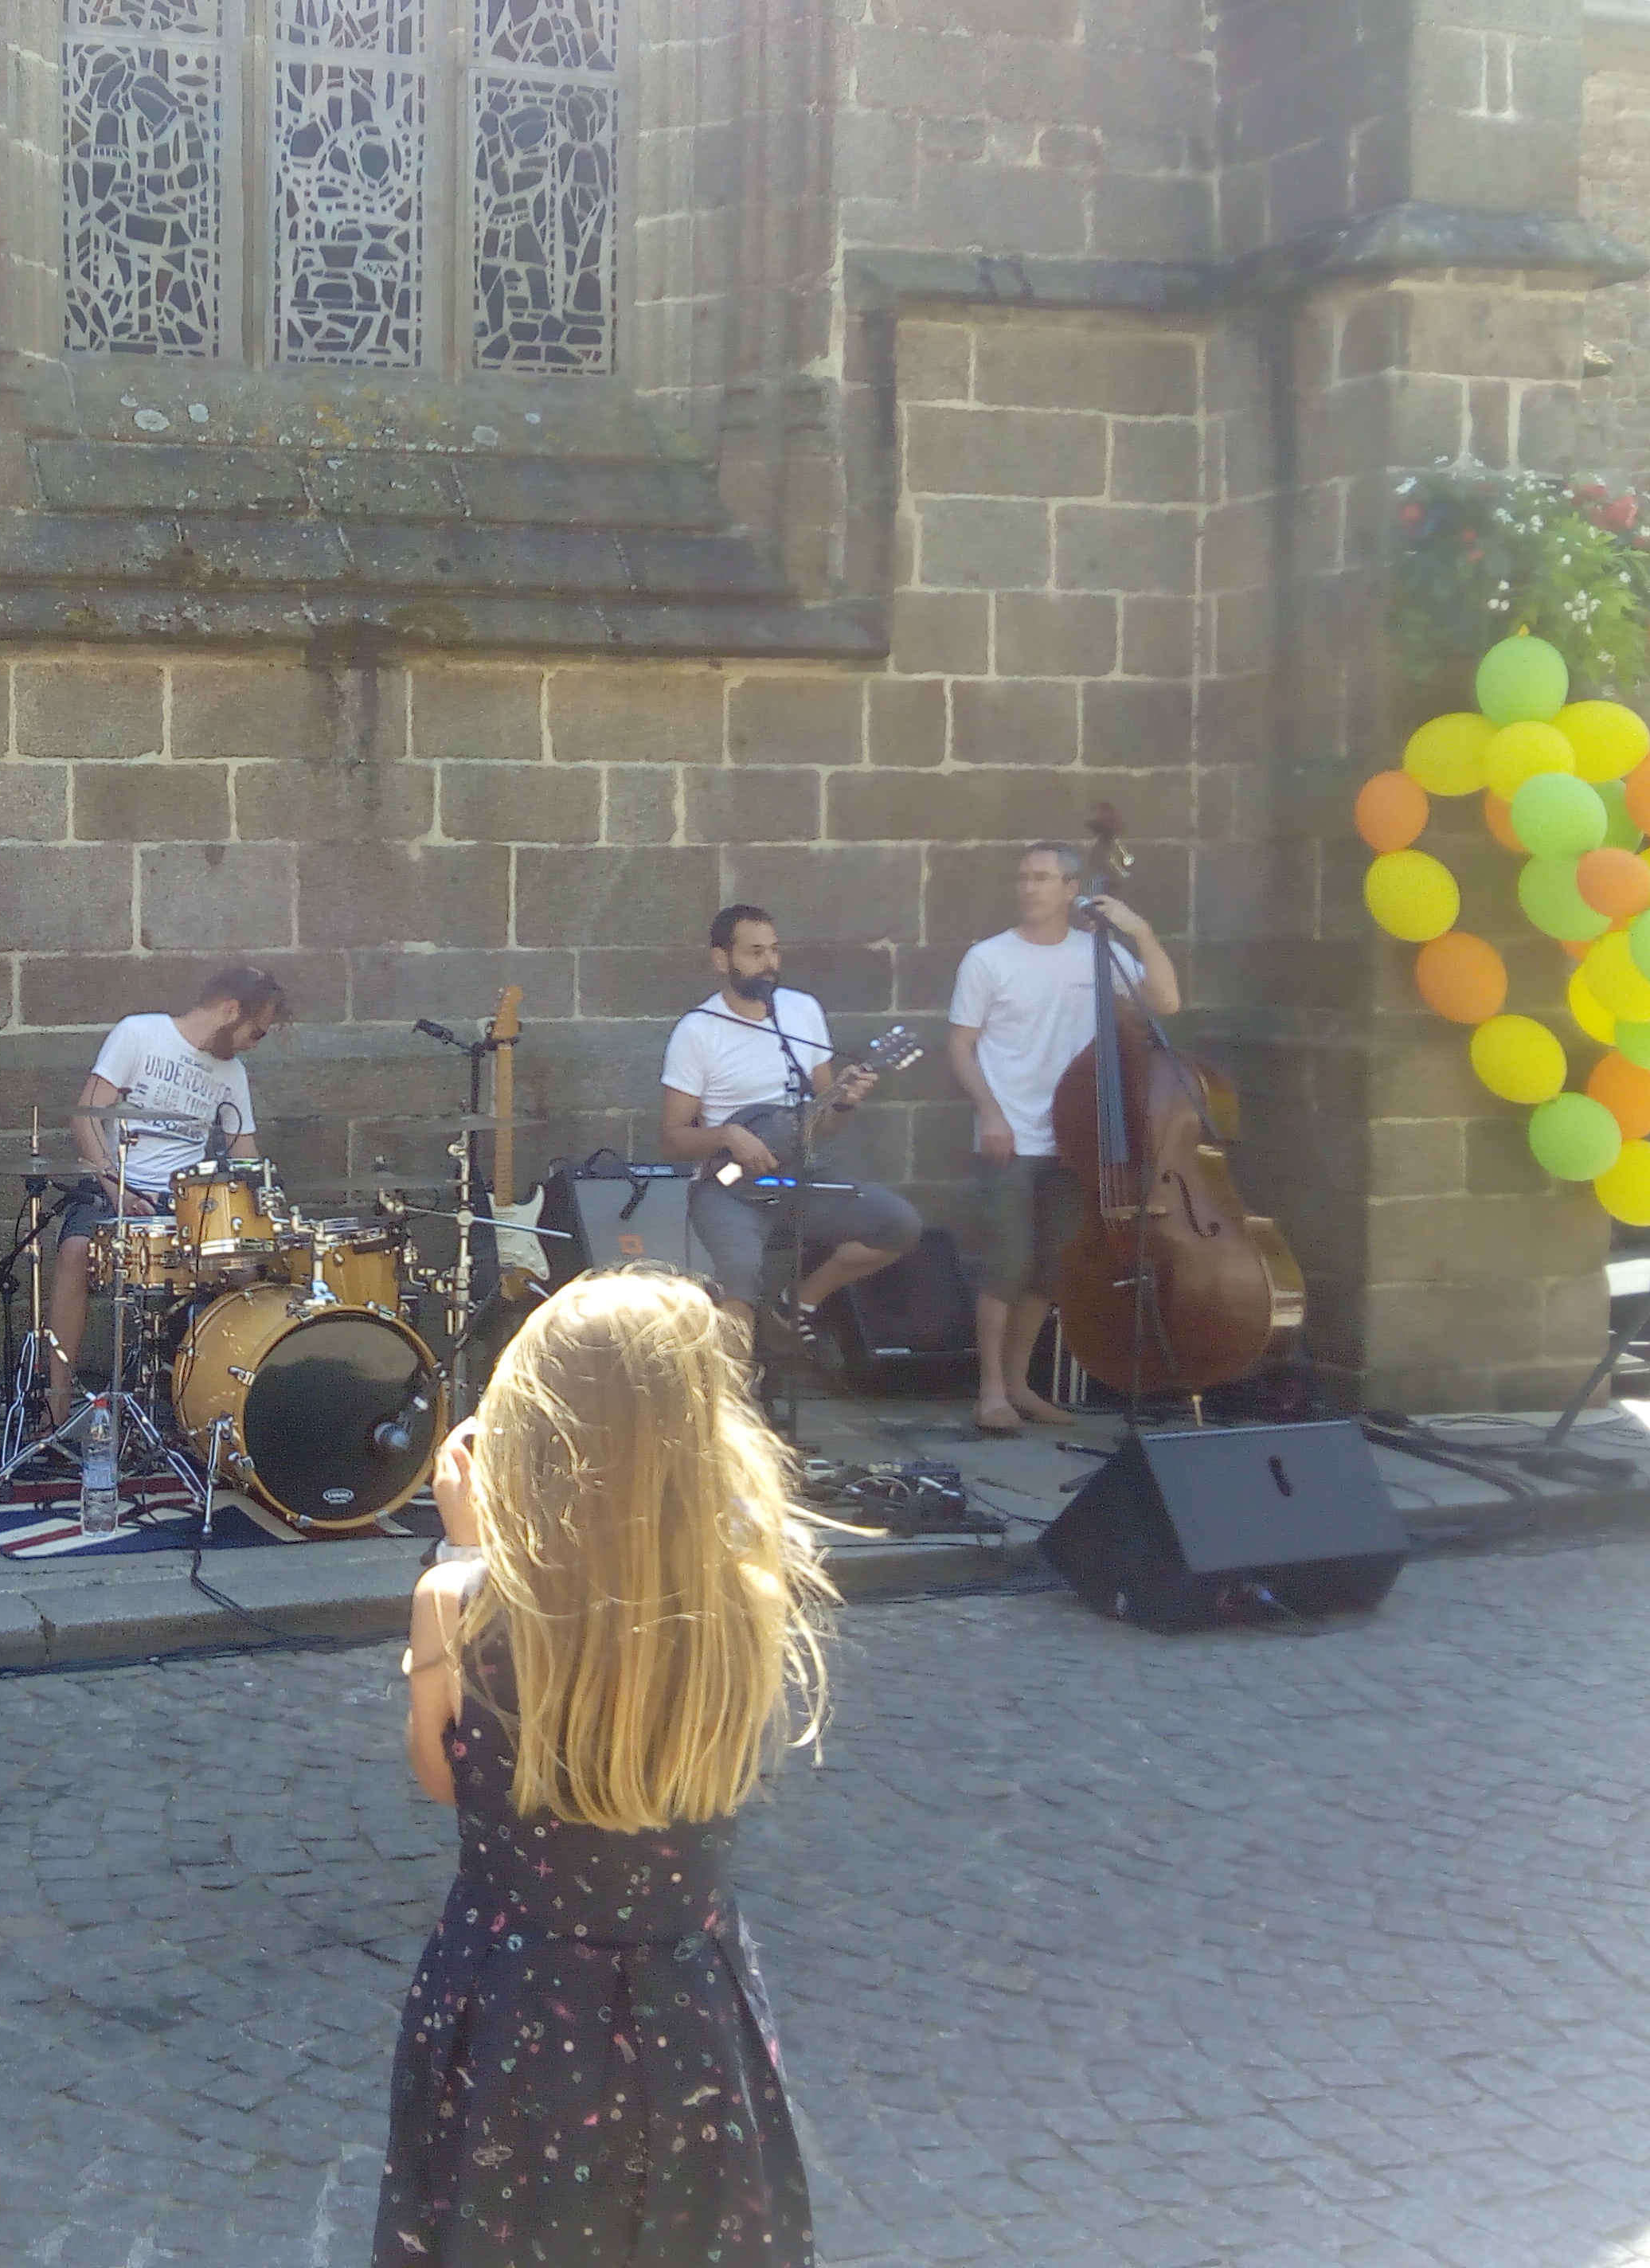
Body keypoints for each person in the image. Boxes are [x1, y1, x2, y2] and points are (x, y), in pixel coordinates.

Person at [377, 1270, 828, 2268]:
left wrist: (463, 1546)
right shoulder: (749, 1591)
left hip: (513, 2005)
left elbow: (447, 1781)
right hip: (690, 2003)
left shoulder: (457, 1601)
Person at [943, 839, 1182, 1435]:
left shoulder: (1098, 954)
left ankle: (1020, 1385)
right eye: (1023, 877)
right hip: (1010, 1137)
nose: (1029, 887)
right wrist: (990, 1114)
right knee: (1007, 1264)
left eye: (1042, 877)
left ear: (1072, 889)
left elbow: (1166, 1001)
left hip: (1077, 1139)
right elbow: (960, 1046)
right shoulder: (988, 958)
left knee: (1051, 1270)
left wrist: (1141, 932)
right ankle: (990, 1391)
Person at [658, 905, 920, 1354]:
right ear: (721, 960)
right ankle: (732, 1384)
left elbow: (825, 1123)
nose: (770, 962)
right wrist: (728, 1135)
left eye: (774, 950)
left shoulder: (803, 1011)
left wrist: (844, 1100)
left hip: (799, 1175)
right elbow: (672, 1139)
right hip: (728, 1187)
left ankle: (799, 1302)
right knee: (739, 1278)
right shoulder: (697, 1031)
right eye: (755, 952)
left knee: (899, 1225)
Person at [42, 964, 290, 1427]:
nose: (255, 1044)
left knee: (246, 1272)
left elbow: (244, 1152)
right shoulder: (139, 1033)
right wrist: (115, 1187)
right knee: (75, 1253)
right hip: (116, 1185)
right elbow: (85, 1117)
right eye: (256, 1032)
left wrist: (268, 1208)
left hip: (185, 1201)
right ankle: (55, 1409)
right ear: (230, 1010)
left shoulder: (232, 1072)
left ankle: (218, 1413)